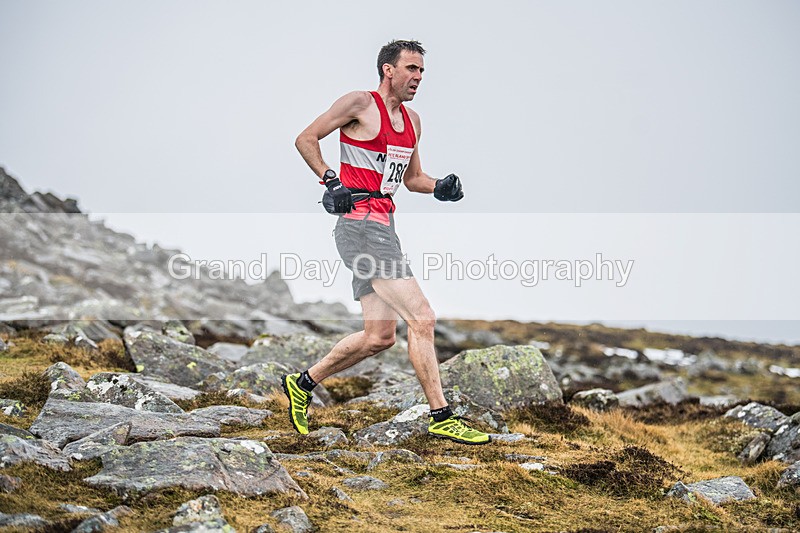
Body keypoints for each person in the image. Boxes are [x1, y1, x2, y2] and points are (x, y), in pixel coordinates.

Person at [282, 39, 490, 445]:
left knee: (379, 337)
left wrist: (440, 187)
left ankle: (303, 383)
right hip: (360, 227)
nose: (418, 78)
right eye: (411, 69)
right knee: (423, 317)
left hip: (383, 226)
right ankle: (441, 416)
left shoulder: (412, 121)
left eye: (422, 71)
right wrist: (330, 179)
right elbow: (306, 139)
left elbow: (412, 179)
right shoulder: (359, 103)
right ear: (388, 70)